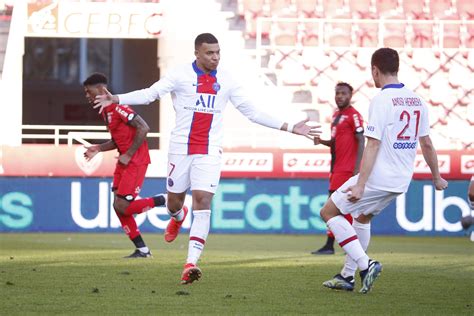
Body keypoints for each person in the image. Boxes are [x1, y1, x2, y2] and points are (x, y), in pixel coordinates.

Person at [93, 33, 321, 284]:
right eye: (210, 53)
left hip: (210, 150)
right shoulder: (179, 75)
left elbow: (252, 113)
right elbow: (150, 94)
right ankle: (178, 216)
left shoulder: (227, 80)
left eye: (218, 52)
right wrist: (117, 98)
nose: (215, 57)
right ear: (197, 54)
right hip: (180, 148)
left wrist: (290, 127)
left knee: (203, 200)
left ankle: (190, 263)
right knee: (174, 203)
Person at [319, 48, 448, 294]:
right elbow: (427, 142)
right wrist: (436, 176)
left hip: (379, 177)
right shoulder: (417, 100)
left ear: (375, 70)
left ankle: (366, 265)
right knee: (362, 218)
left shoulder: (380, 99)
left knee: (328, 212)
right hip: (400, 181)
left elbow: (373, 143)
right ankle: (347, 276)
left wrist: (360, 184)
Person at [83, 73, 167, 258]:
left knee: (123, 206)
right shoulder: (106, 111)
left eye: (88, 92)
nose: (87, 96)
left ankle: (164, 200)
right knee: (117, 205)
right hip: (124, 160)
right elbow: (117, 140)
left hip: (135, 161)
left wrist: (129, 154)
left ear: (100, 90)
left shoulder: (118, 106)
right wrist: (98, 148)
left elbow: (144, 127)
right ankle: (142, 250)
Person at [311, 82, 365, 255]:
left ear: (351, 95)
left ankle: (339, 245)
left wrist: (357, 169)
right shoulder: (336, 116)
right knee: (336, 208)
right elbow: (335, 143)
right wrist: (322, 142)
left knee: (338, 208)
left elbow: (361, 139)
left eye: (343, 93)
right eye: (337, 93)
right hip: (336, 169)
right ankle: (335, 245)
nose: (340, 96)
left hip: (348, 170)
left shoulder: (354, 115)